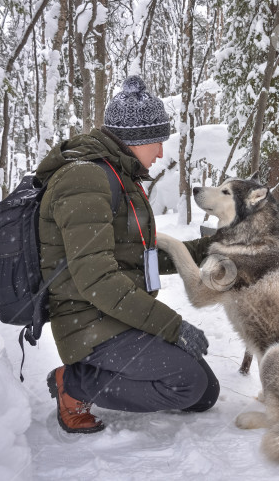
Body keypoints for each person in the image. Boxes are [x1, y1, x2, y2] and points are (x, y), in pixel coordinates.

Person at [35, 75, 219, 433]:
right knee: (187, 384)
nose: (161, 153)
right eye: (157, 142)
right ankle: (74, 385)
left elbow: (138, 256)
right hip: (89, 322)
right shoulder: (85, 180)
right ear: (135, 140)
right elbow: (98, 280)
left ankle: (90, 377)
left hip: (114, 316)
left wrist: (213, 249)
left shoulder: (117, 176)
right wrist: (172, 326)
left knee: (204, 392)